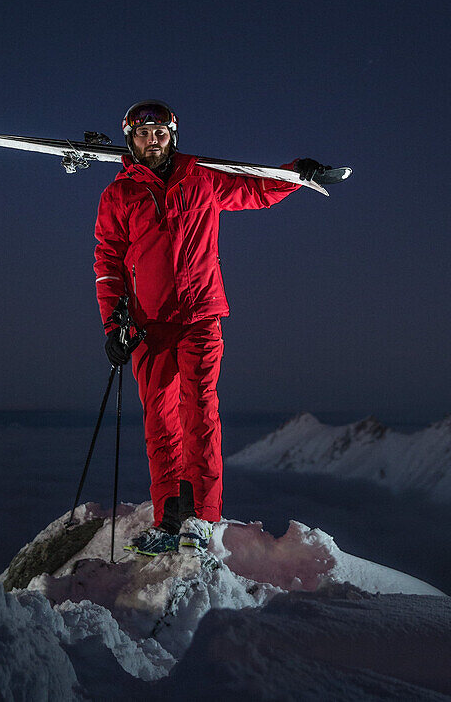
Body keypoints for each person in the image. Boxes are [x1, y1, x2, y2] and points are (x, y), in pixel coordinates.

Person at [93, 100, 327, 555]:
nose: (152, 140)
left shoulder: (201, 177)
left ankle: (202, 519)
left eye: (160, 132)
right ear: (130, 139)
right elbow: (108, 263)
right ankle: (169, 518)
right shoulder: (119, 195)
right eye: (143, 134)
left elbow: (255, 189)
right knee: (161, 424)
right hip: (148, 326)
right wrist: (113, 324)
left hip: (201, 316)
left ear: (172, 136)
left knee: (198, 413)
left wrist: (296, 174)